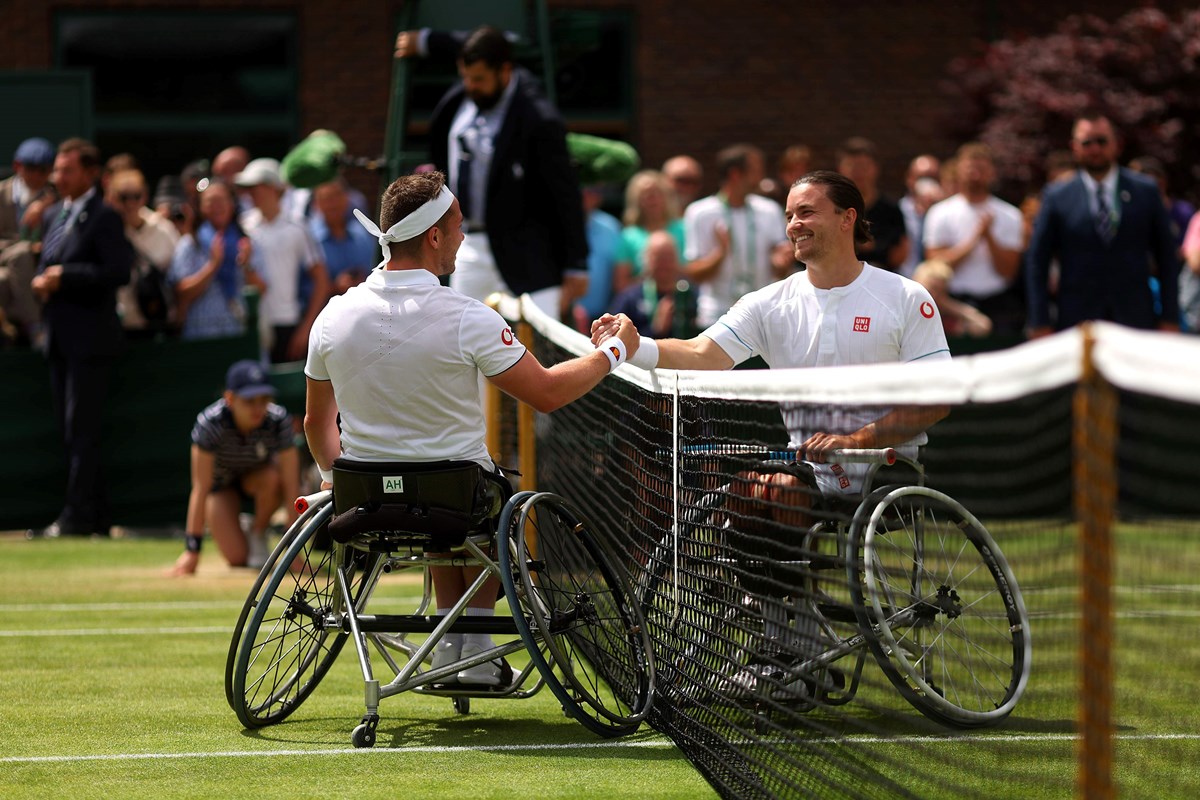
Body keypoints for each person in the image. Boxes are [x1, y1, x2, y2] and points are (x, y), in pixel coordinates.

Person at [591, 171, 950, 685]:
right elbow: (700, 354)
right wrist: (633, 344)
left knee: (773, 490)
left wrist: (856, 441)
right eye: (788, 215)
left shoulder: (906, 296)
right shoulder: (769, 302)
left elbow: (937, 399)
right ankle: (791, 645)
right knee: (743, 494)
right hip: (803, 470)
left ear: (848, 219)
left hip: (886, 471)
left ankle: (793, 649)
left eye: (806, 212)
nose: (794, 225)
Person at [304, 170, 640, 686]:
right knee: (475, 500)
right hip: (456, 497)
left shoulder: (331, 316)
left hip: (364, 499)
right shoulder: (466, 316)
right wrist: (613, 352)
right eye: (458, 225)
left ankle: (458, 649)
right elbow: (548, 393)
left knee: (448, 495)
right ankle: (476, 647)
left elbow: (314, 423)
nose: (463, 236)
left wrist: (335, 480)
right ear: (434, 235)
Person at [394, 25, 588, 319]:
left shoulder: (539, 119)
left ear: (505, 71)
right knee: (456, 337)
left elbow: (565, 194)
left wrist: (577, 263)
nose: (471, 86)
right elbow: (466, 40)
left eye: (480, 79)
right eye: (466, 78)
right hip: (468, 242)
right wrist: (425, 41)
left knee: (539, 348)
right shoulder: (464, 94)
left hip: (527, 251)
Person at [27, 138, 134, 539]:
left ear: (90, 173)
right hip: (58, 338)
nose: (58, 177)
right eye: (57, 169)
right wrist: (43, 280)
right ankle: (97, 515)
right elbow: (50, 261)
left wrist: (64, 277)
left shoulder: (104, 215)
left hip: (90, 341)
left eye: (67, 170)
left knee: (81, 429)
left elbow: (118, 272)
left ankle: (75, 517)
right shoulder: (56, 213)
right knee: (71, 430)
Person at [1026, 113, 1180, 336]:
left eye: (1102, 141)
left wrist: (1170, 317)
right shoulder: (1057, 196)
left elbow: (1167, 257)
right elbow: (1037, 261)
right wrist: (1039, 321)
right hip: (1076, 322)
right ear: (1074, 147)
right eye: (1087, 143)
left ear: (1117, 144)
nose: (1095, 149)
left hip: (1135, 319)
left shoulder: (1145, 191)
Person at [167, 359, 300, 577]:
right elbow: (201, 487)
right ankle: (243, 527)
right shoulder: (209, 423)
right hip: (221, 489)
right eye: (249, 400)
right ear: (230, 398)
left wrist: (293, 550)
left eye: (264, 399)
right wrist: (192, 550)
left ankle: (258, 531)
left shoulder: (278, 420)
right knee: (237, 559)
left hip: (260, 480)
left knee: (275, 479)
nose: (258, 408)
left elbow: (291, 480)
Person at [922, 142, 1025, 335]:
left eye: (982, 168)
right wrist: (975, 239)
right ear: (959, 170)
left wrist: (989, 238)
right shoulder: (940, 213)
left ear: (992, 173)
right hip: (955, 304)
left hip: (999, 303)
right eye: (970, 168)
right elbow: (936, 265)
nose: (975, 174)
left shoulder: (1011, 215)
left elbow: (1008, 271)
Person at [683, 144, 791, 327]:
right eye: (756, 172)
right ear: (735, 174)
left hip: (762, 315)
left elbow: (779, 262)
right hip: (717, 316)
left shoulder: (769, 210)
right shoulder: (699, 212)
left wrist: (781, 260)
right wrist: (721, 252)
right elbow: (695, 273)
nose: (761, 178)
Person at [235, 157, 329, 362]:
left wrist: (305, 330)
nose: (250, 193)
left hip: (287, 323)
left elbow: (321, 280)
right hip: (249, 322)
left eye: (255, 187)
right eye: (248, 188)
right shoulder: (243, 225)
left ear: (273, 188)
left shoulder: (298, 227)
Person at [169, 177, 266, 340]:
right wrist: (213, 265)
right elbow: (182, 293)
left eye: (221, 200)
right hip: (200, 334)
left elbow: (261, 289)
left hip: (238, 330)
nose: (217, 207)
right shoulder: (190, 244)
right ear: (200, 207)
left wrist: (247, 265)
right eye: (210, 202)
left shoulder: (246, 242)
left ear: (232, 204)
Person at [105, 168, 179, 334]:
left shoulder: (163, 228)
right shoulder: (107, 233)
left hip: (161, 321)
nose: (131, 203)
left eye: (136, 196)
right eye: (124, 197)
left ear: (144, 195)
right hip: (123, 326)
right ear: (112, 198)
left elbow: (178, 274)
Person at [0, 137, 57, 345]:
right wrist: (24, 246)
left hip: (40, 267)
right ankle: (34, 325)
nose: (38, 175)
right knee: (22, 253)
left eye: (45, 170)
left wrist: (44, 205)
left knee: (3, 282)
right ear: (17, 166)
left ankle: (16, 330)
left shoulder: (55, 196)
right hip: (5, 258)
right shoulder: (1, 193)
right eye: (32, 168)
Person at [836, 137, 908, 272]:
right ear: (841, 169)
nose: (858, 172)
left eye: (863, 166)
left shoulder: (890, 209)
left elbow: (900, 253)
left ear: (875, 168)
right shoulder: (833, 208)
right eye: (852, 166)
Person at [610, 229, 698, 339]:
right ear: (646, 260)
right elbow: (616, 339)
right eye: (659, 258)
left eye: (669, 257)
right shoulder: (630, 298)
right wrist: (655, 329)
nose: (665, 264)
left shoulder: (690, 293)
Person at [613, 169, 687, 293]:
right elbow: (621, 284)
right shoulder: (628, 236)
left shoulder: (684, 229)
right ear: (636, 201)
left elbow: (696, 272)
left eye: (656, 193)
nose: (652, 199)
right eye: (646, 195)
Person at [309, 178, 376, 296]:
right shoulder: (309, 238)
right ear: (316, 204)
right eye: (327, 199)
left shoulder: (362, 233)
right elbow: (301, 286)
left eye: (337, 196)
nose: (333, 203)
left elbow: (375, 271)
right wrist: (334, 287)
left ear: (347, 198)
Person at [912, 258, 993, 337]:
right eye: (930, 289)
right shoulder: (906, 306)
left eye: (940, 291)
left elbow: (984, 325)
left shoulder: (946, 312)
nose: (934, 295)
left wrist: (949, 306)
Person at [897, 153, 942, 276]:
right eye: (922, 178)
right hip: (905, 279)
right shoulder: (897, 211)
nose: (928, 183)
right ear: (910, 179)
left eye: (933, 178)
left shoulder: (947, 212)